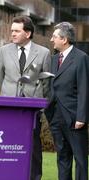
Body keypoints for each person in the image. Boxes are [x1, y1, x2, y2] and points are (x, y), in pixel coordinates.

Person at [0, 15, 51, 180]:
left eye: (16, 31)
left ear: (27, 33)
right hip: (8, 107)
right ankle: (8, 174)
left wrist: (41, 103)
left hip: (32, 108)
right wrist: (8, 94)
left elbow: (46, 83)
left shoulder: (44, 53)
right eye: (12, 30)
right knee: (8, 145)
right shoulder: (3, 51)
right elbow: (0, 77)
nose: (12, 34)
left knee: (33, 146)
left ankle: (34, 177)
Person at [45, 22, 89, 180]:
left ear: (64, 39)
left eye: (54, 37)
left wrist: (82, 117)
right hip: (56, 117)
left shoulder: (81, 58)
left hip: (74, 118)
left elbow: (84, 88)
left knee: (80, 160)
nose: (51, 40)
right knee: (62, 158)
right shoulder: (54, 59)